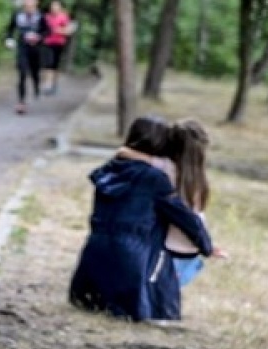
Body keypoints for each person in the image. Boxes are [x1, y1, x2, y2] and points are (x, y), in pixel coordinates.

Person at [68, 116, 217, 322]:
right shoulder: (156, 180)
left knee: (92, 301)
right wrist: (207, 246)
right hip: (133, 260)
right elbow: (186, 219)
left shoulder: (110, 169)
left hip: (94, 253)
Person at [5, 0, 46, 114]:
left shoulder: (41, 16)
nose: (28, 3)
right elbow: (9, 29)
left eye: (31, 0)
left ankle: (36, 86)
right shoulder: (17, 15)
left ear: (36, 2)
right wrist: (9, 39)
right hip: (22, 48)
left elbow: (47, 32)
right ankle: (21, 102)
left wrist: (39, 37)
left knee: (34, 72)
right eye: (26, 0)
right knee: (22, 73)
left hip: (36, 49)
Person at [41, 0, 77, 95]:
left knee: (55, 65)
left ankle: (53, 84)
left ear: (60, 7)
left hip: (59, 43)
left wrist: (58, 30)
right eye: (52, 6)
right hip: (47, 43)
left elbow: (69, 31)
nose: (54, 8)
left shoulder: (64, 17)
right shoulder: (46, 17)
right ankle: (47, 84)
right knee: (48, 62)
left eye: (56, 6)